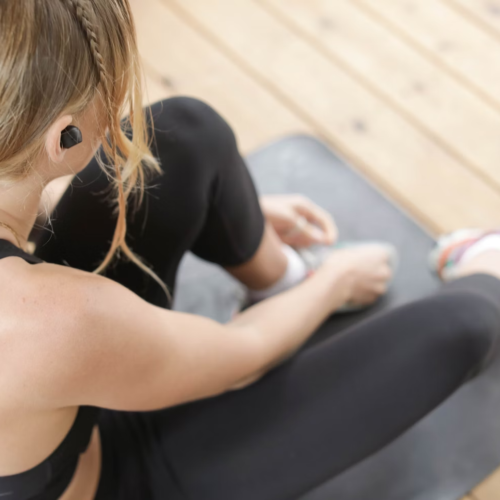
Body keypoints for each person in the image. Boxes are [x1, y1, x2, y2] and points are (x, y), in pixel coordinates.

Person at [1, 2, 500, 500]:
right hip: (115, 481)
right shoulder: (51, 325)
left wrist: (244, 213)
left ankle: (281, 277)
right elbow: (245, 356)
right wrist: (335, 283)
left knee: (184, 134)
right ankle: (486, 270)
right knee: (466, 325)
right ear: (61, 136)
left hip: (45, 390)